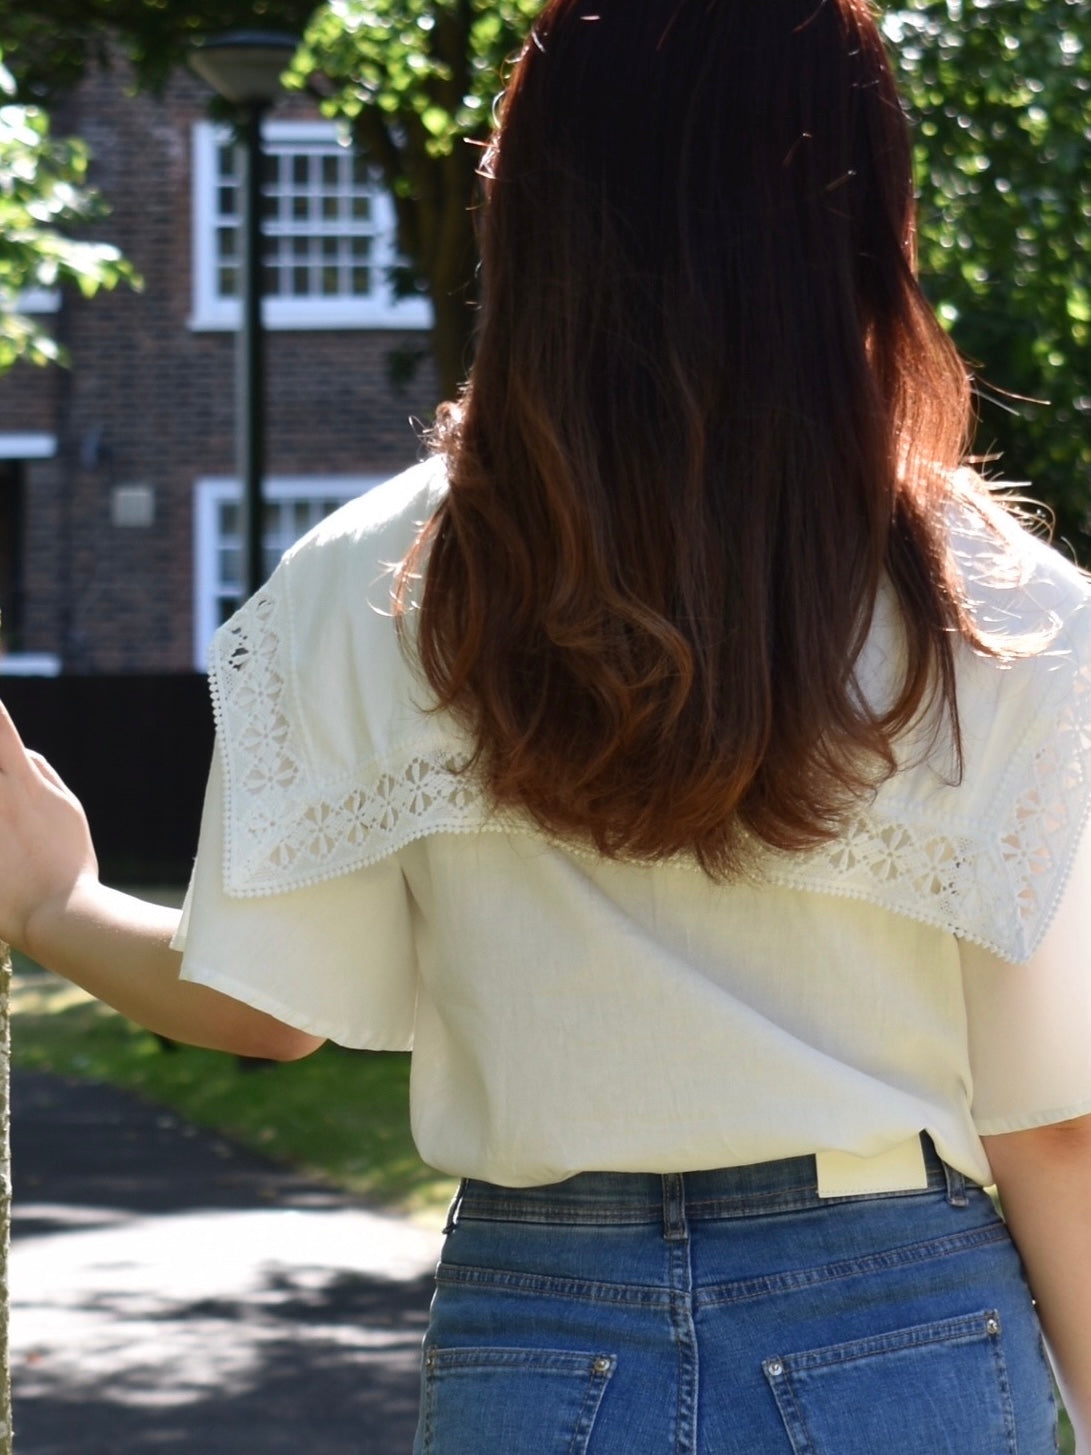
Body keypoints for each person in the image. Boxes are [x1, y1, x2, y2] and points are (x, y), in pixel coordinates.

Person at [1, 0, 1089, 1449]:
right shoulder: (1000, 611)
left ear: (538, 207)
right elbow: (1056, 1122)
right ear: (861, 213)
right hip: (907, 1325)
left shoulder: (373, 582)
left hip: (542, 1329)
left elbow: (265, 1007)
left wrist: (55, 902)